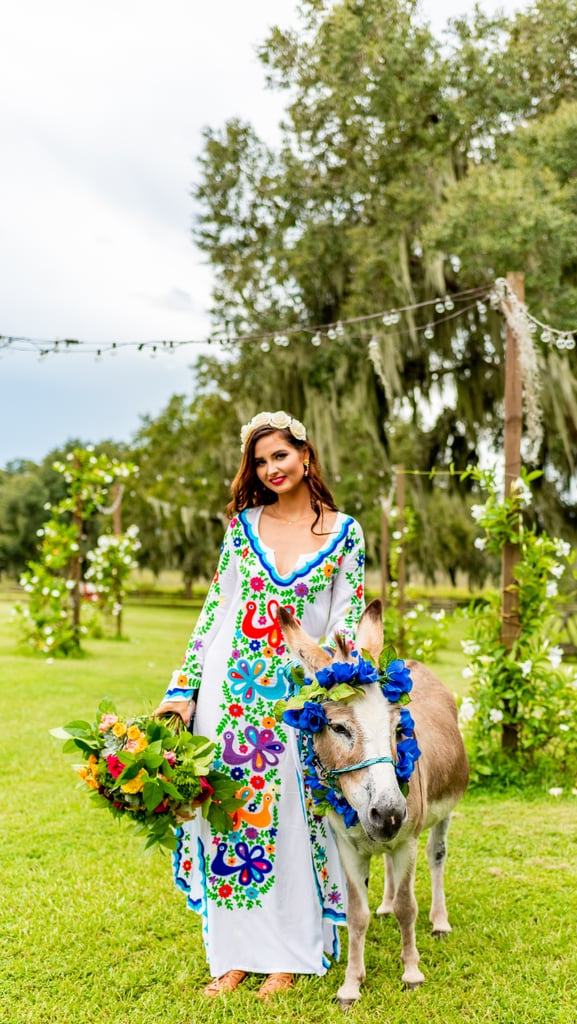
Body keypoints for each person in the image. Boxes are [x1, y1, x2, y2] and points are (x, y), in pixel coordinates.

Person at [156, 410, 366, 999]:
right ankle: (234, 956)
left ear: (306, 456)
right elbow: (215, 611)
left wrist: (339, 679)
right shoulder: (242, 527)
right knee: (229, 819)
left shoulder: (345, 532)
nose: (271, 468)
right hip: (231, 692)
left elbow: (349, 615)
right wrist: (184, 688)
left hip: (296, 696)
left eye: (280, 455)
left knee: (295, 819)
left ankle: (290, 954)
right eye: (259, 460)